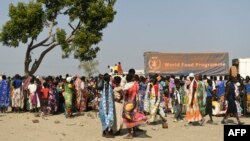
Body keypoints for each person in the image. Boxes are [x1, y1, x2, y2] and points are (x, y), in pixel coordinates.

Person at [123, 73, 147, 139]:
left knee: (127, 118)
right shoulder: (136, 85)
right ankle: (134, 132)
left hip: (128, 104)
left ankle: (130, 134)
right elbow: (137, 94)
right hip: (135, 103)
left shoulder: (127, 85)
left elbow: (124, 94)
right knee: (133, 117)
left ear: (127, 79)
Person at [99, 73, 115, 138]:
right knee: (107, 117)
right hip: (106, 104)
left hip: (105, 103)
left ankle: (104, 132)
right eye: (109, 77)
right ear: (108, 79)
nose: (110, 78)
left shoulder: (107, 84)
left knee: (104, 117)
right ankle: (107, 133)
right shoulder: (106, 85)